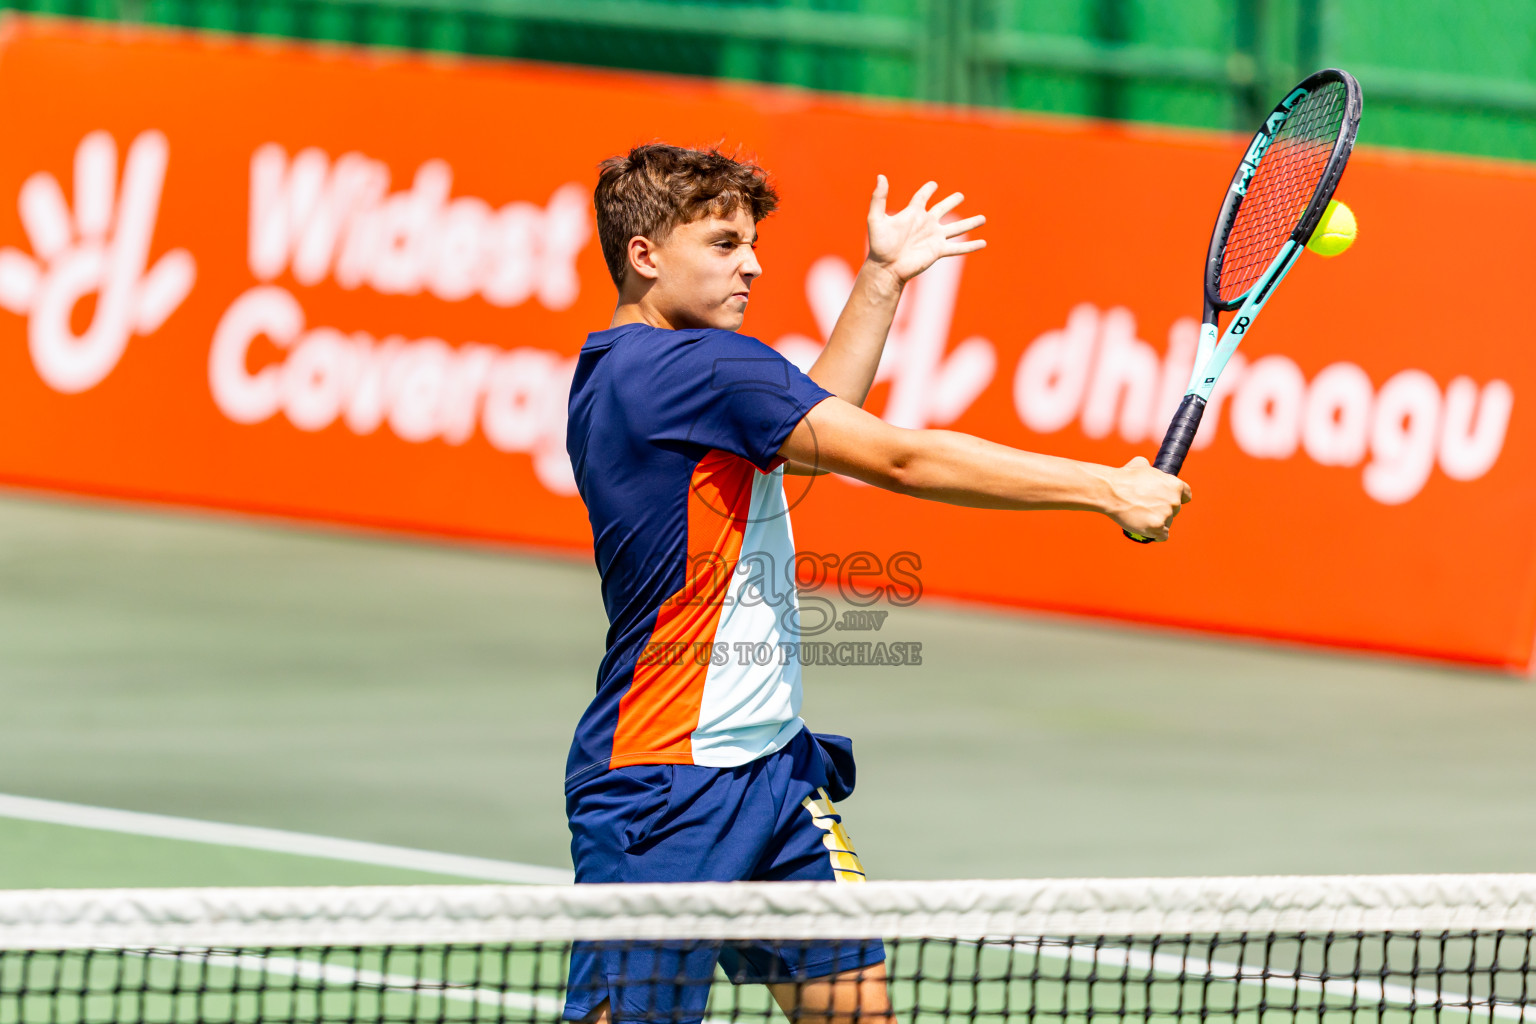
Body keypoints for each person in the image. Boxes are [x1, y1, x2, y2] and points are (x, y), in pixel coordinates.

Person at [561, 144, 1190, 1024]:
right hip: (666, 786)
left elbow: (819, 429)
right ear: (645, 254)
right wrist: (1104, 486)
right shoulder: (694, 369)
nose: (754, 263)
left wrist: (881, 278)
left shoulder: (630, 371)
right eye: (724, 244)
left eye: (753, 243)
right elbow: (895, 456)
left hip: (772, 775)